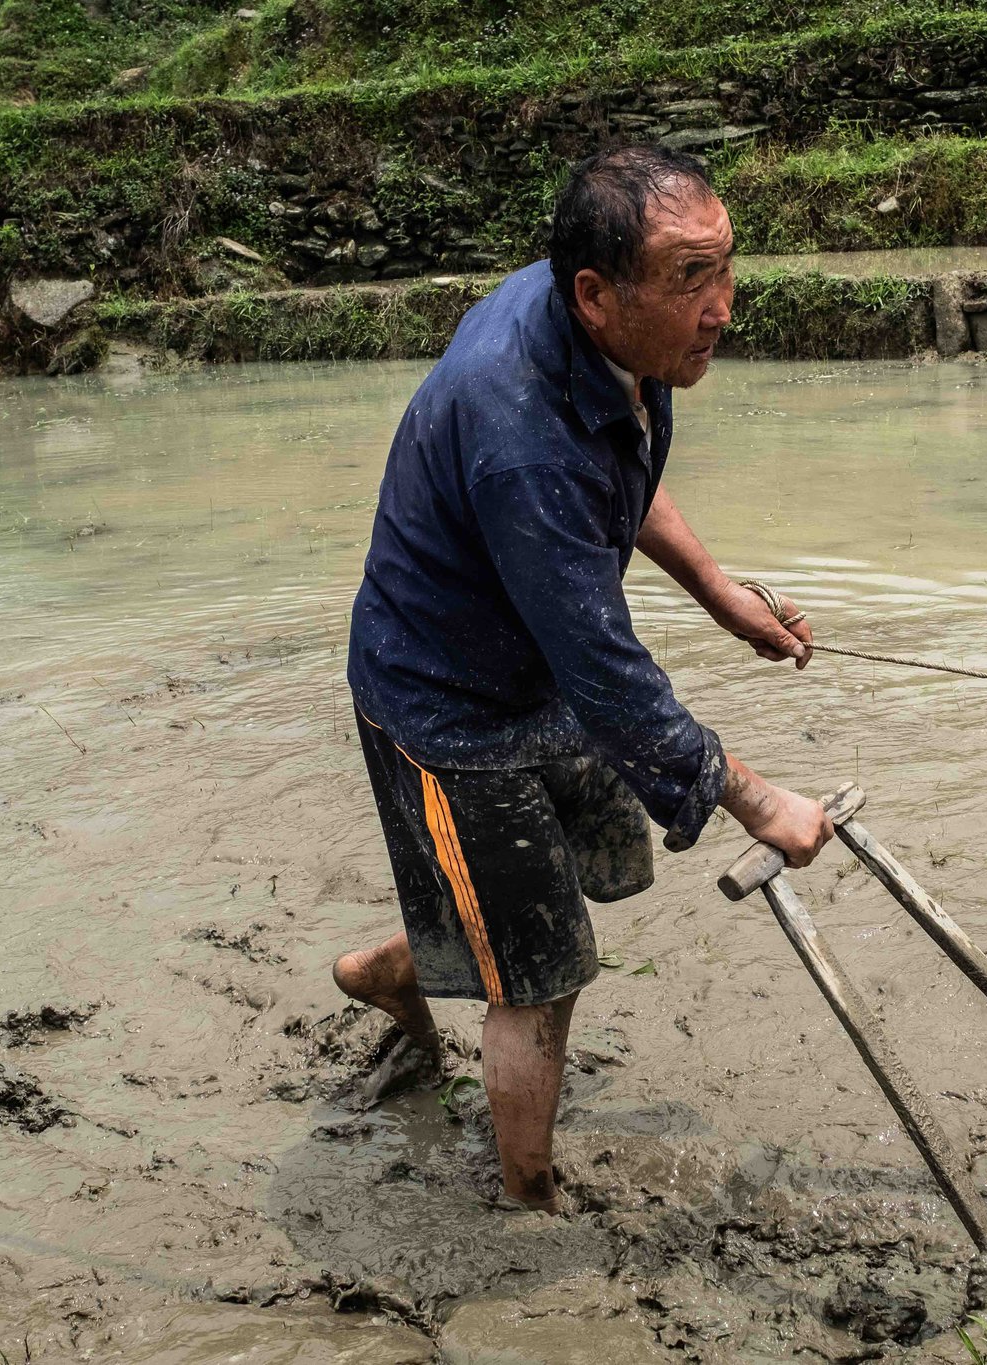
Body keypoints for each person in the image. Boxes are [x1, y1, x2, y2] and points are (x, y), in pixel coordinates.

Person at [337, 144, 834, 1213]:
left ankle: (398, 962)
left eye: (724, 268)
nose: (721, 309)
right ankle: (530, 1205)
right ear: (596, 295)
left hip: (528, 663)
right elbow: (609, 679)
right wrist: (759, 801)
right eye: (689, 280)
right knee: (542, 979)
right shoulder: (517, 429)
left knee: (597, 869)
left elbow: (612, 464)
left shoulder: (594, 334)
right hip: (448, 707)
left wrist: (715, 591)